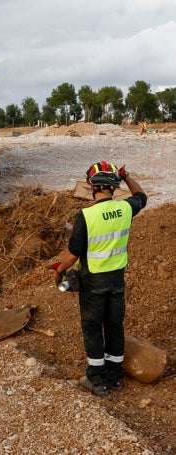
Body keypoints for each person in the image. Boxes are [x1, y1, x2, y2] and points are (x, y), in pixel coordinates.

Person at [51, 160, 147, 397]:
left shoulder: (85, 216)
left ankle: (96, 380)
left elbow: (73, 254)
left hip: (93, 282)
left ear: (90, 185)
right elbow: (141, 196)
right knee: (114, 326)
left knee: (92, 328)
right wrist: (127, 175)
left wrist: (58, 269)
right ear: (114, 185)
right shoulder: (125, 209)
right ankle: (114, 378)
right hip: (116, 281)